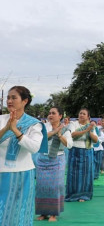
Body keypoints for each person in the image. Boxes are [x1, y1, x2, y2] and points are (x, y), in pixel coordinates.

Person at [0, 86, 48, 226]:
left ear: (25, 101)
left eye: (14, 97)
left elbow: (34, 148)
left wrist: (15, 130)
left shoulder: (34, 124)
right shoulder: (1, 119)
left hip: (22, 174)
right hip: (1, 172)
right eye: (8, 97)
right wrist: (6, 128)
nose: (9, 100)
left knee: (18, 212)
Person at [35, 106, 73, 222]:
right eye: (49, 113)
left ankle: (53, 214)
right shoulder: (43, 127)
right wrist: (54, 132)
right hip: (42, 159)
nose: (50, 115)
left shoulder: (66, 129)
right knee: (41, 187)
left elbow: (69, 145)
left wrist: (60, 135)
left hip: (57, 160)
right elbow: (40, 140)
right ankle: (43, 213)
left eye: (53, 113)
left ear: (60, 116)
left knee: (55, 187)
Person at [65, 108, 98, 202]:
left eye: (84, 114)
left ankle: (84, 195)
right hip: (75, 151)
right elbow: (73, 134)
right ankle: (73, 195)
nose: (81, 115)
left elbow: (95, 140)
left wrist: (90, 131)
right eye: (80, 113)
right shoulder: (73, 124)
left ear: (88, 116)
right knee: (73, 173)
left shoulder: (91, 126)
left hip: (87, 151)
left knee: (86, 174)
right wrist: (86, 130)